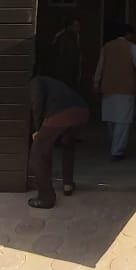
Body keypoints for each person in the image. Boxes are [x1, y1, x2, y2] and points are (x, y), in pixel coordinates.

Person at [28, 74, 89, 209]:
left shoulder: (35, 82)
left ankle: (46, 198)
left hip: (61, 113)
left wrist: (38, 129)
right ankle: (68, 184)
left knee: (38, 152)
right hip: (82, 112)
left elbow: (37, 102)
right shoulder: (51, 83)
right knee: (68, 144)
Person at [92, 23, 136, 160]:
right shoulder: (131, 47)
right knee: (123, 121)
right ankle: (117, 150)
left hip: (108, 88)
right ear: (128, 34)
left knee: (111, 119)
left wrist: (96, 83)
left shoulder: (106, 47)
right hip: (125, 88)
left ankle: (114, 145)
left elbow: (100, 67)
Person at [50, 16, 82, 90]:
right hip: (65, 75)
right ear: (69, 27)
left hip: (69, 74)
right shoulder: (64, 38)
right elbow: (62, 57)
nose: (78, 29)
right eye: (76, 26)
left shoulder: (75, 38)